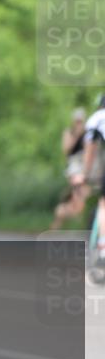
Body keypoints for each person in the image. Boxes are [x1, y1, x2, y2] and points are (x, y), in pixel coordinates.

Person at [73, 93, 105, 259]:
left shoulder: (98, 118)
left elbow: (90, 150)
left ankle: (103, 246)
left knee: (103, 205)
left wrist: (84, 175)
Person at [51, 108, 93, 230]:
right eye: (77, 121)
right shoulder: (69, 132)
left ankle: (66, 221)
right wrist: (76, 135)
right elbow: (66, 150)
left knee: (81, 197)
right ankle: (62, 222)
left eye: (81, 121)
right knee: (79, 196)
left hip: (85, 169)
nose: (79, 123)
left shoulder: (88, 134)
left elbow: (90, 151)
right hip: (74, 169)